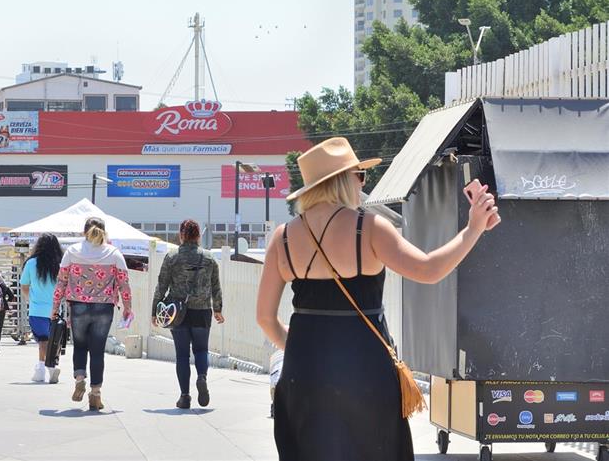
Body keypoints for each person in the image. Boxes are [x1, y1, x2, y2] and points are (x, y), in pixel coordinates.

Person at [256, 137, 499, 461]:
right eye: (359, 175)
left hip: (305, 374)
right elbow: (429, 270)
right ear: (344, 181)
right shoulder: (367, 228)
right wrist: (473, 229)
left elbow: (264, 318)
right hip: (365, 372)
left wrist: (301, 348)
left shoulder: (282, 238)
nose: (362, 183)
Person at [52, 217, 133, 410]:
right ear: (104, 232)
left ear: (84, 232)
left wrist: (54, 307)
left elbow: (61, 281)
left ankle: (80, 378)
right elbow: (124, 283)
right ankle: (95, 394)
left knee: (80, 346)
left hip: (78, 306)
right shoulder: (114, 253)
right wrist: (128, 307)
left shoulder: (72, 252)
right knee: (97, 351)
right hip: (104, 308)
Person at [151, 219, 224, 409]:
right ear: (198, 236)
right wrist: (217, 309)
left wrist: (155, 310)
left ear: (181, 235)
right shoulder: (209, 258)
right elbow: (216, 286)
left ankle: (184, 396)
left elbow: (162, 285)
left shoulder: (172, 257)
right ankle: (202, 376)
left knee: (182, 355)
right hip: (202, 311)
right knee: (201, 350)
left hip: (177, 312)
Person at [20, 233, 63, 382]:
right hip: (56, 309)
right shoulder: (60, 264)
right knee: (54, 339)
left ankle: (41, 368)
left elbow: (24, 285)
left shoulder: (31, 263)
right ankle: (53, 365)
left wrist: (30, 299)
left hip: (37, 309)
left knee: (42, 340)